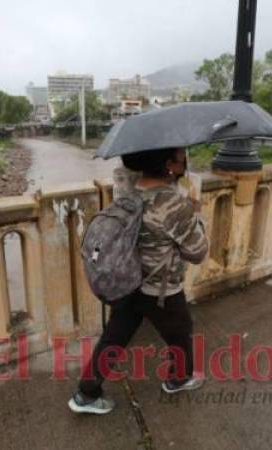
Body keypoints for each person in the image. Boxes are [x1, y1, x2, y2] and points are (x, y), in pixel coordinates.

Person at [68, 148, 209, 415]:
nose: (185, 162)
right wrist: (196, 217)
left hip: (125, 283)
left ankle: (86, 394)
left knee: (113, 339)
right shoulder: (174, 204)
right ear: (169, 165)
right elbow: (198, 252)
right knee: (180, 333)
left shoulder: (127, 193)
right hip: (160, 290)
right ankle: (179, 379)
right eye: (181, 159)